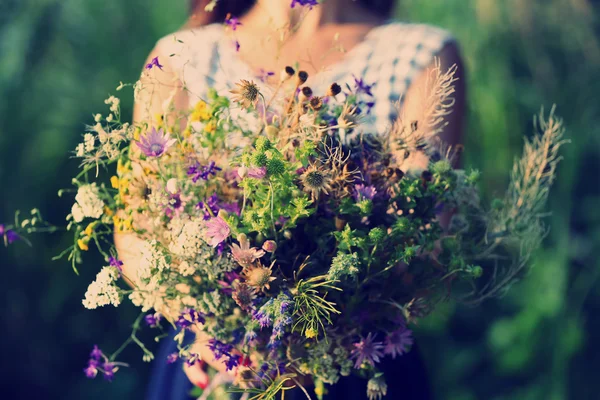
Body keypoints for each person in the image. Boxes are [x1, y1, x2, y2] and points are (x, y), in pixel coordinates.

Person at [117, 0, 465, 398]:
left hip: (351, 366)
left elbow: (425, 235)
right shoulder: (179, 57)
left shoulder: (422, 56)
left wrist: (309, 342)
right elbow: (135, 230)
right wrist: (203, 326)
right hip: (216, 363)